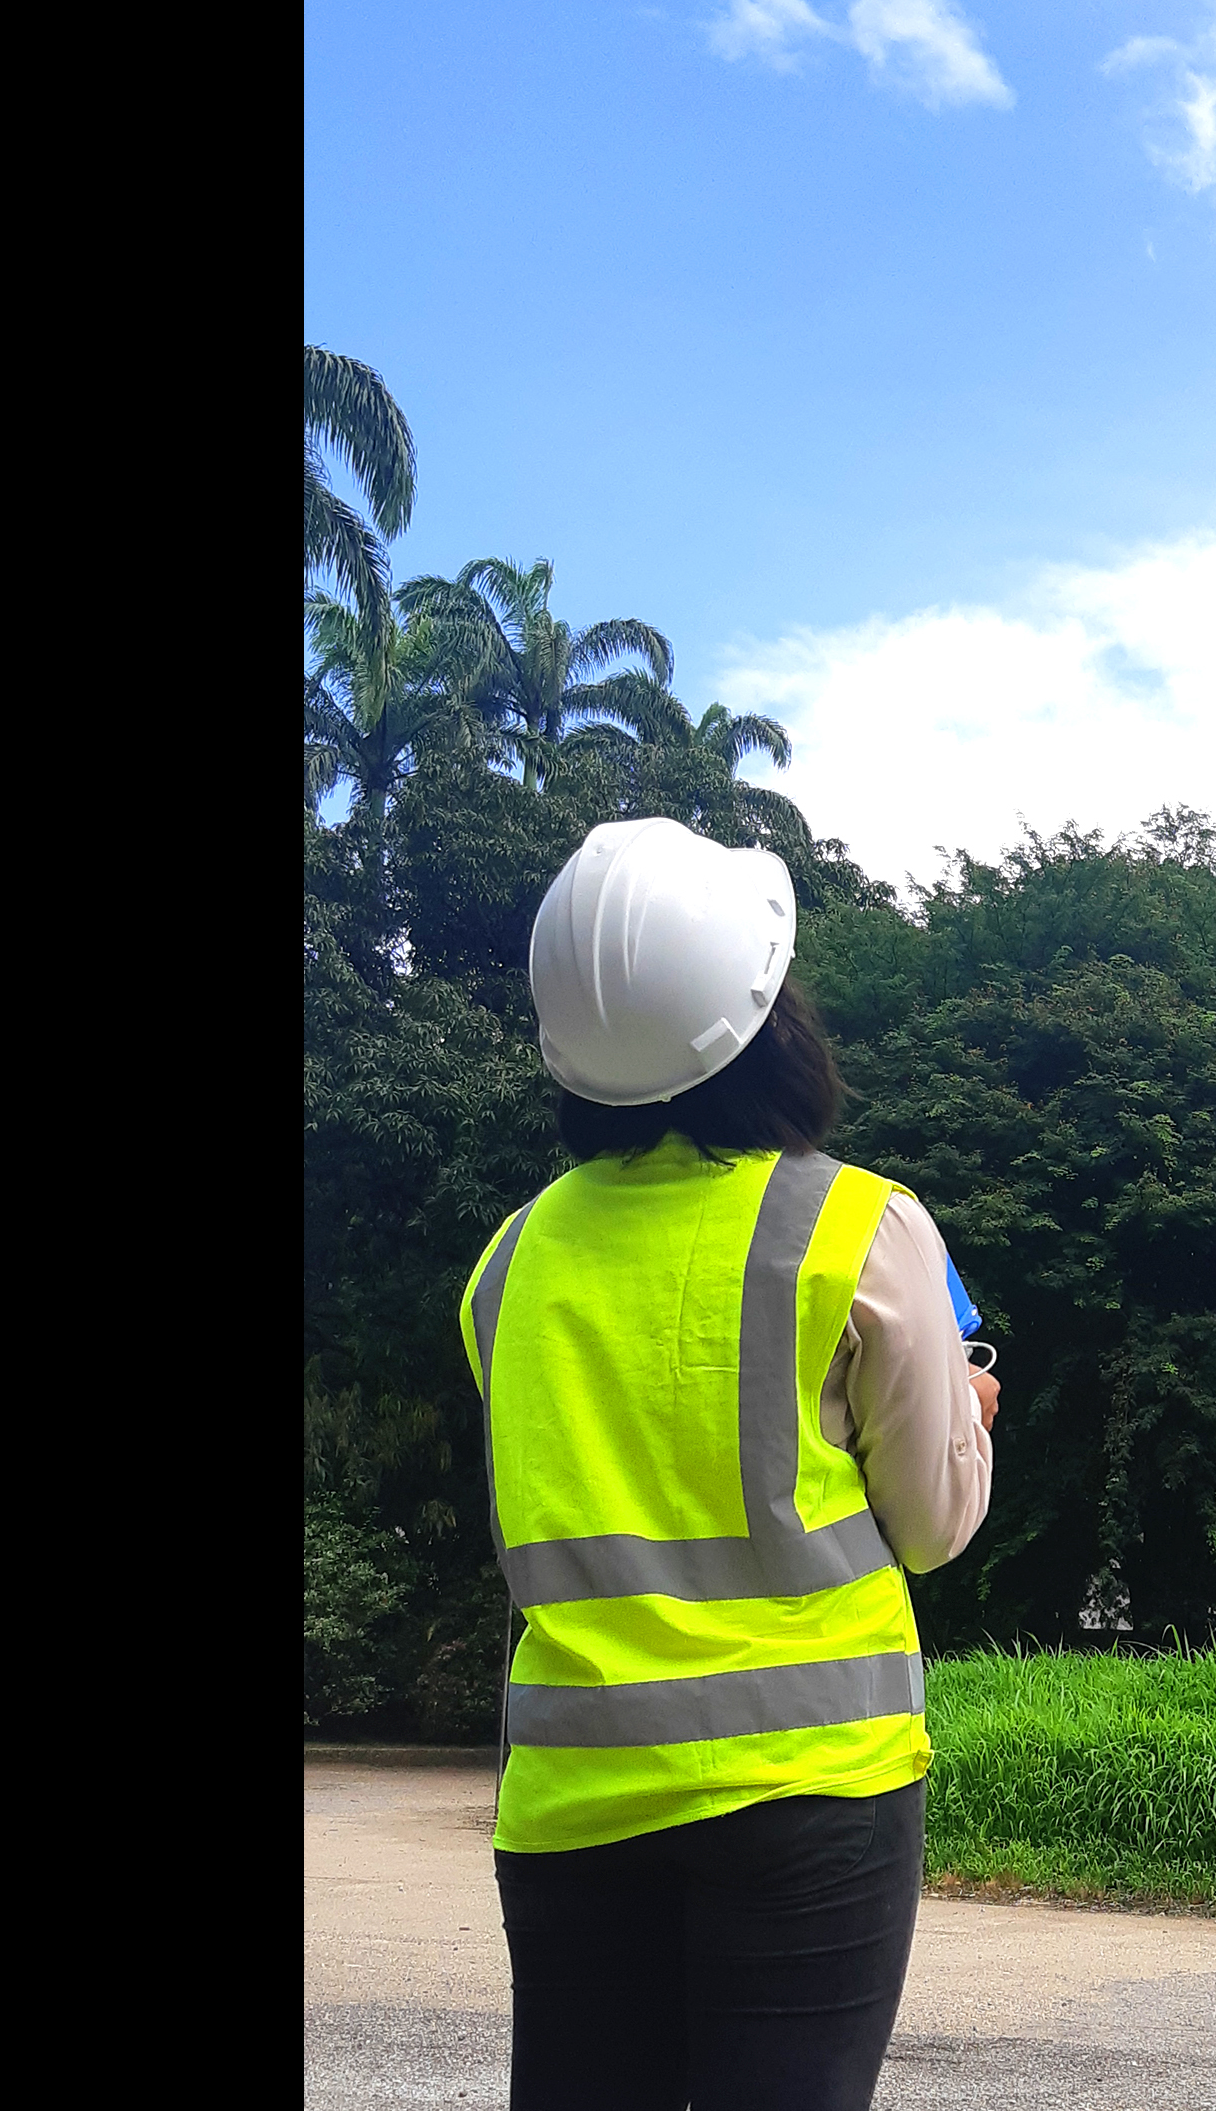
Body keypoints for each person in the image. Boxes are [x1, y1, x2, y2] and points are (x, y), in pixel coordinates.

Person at [457, 818, 998, 2111]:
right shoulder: (860, 1228)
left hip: (576, 1806)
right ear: (767, 1019)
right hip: (812, 1801)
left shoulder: (508, 1265)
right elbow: (930, 1523)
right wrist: (968, 1410)